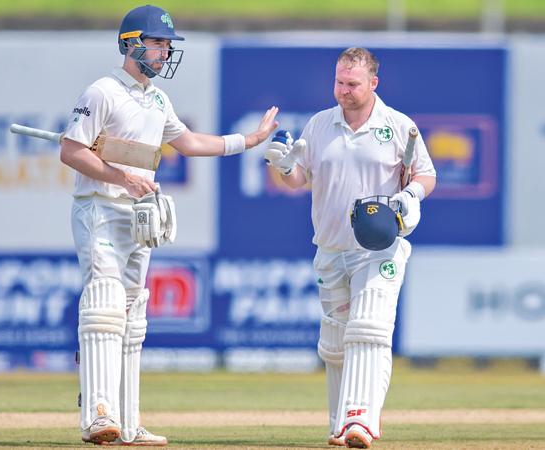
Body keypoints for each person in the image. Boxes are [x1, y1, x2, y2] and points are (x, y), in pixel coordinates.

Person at [59, 4, 279, 446]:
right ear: (131, 44)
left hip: (138, 217)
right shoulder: (103, 91)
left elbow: (191, 142)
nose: (164, 52)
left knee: (132, 316)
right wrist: (121, 175)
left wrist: (248, 141)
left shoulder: (158, 100)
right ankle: (98, 415)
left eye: (166, 45)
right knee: (104, 306)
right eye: (158, 43)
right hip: (100, 209)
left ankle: (128, 421)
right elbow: (71, 151)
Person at [264, 47, 436, 449]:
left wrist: (411, 194)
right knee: (336, 344)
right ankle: (339, 424)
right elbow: (298, 180)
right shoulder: (320, 124)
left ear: (373, 83)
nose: (343, 90)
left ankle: (360, 421)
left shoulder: (398, 126)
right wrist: (284, 167)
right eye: (339, 82)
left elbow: (426, 175)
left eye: (352, 84)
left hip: (378, 246)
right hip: (330, 247)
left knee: (369, 328)